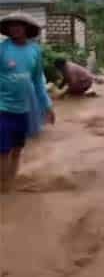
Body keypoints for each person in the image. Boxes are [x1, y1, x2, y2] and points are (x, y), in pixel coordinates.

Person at [0, 12, 55, 194]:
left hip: (23, 110)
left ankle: (10, 186)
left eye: (19, 24)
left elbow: (38, 80)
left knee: (17, 150)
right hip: (2, 108)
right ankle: (3, 189)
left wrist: (47, 106)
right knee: (3, 152)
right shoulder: (2, 49)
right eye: (11, 25)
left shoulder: (35, 51)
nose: (14, 28)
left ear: (27, 29)